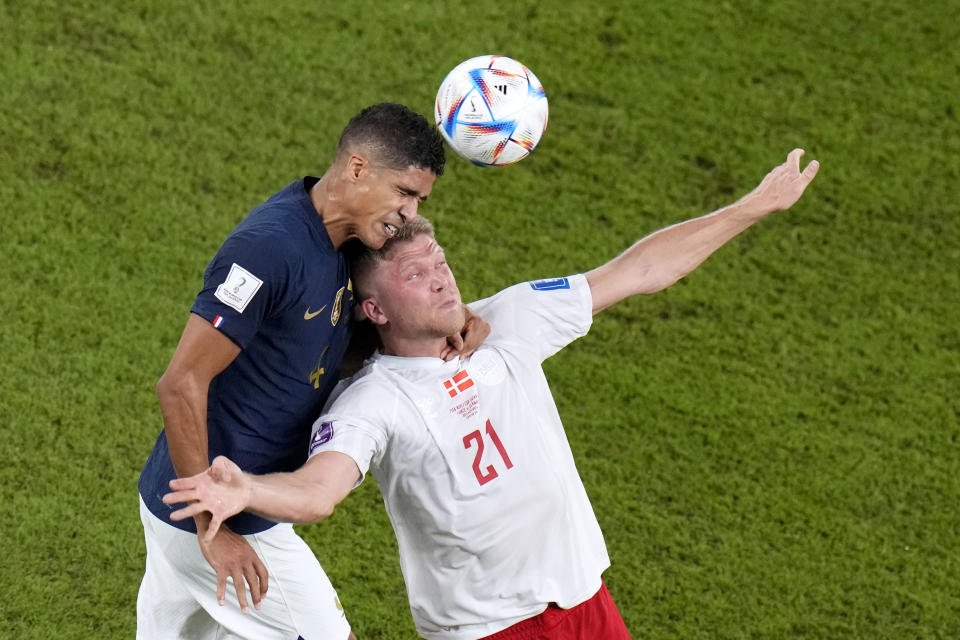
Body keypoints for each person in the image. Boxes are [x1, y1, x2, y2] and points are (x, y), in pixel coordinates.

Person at [163, 149, 820, 639]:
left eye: (441, 261)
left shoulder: (510, 320)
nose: (442, 279)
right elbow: (320, 490)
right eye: (416, 274)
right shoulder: (373, 400)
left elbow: (639, 269)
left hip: (585, 601)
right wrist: (245, 491)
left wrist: (751, 207)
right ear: (375, 310)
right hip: (489, 630)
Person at [137, 102, 489, 640]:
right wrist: (213, 528)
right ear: (356, 168)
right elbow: (180, 383)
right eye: (404, 193)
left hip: (180, 496)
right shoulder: (266, 251)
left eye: (419, 199)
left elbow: (340, 335)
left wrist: (452, 319)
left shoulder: (345, 242)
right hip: (217, 508)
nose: (411, 213)